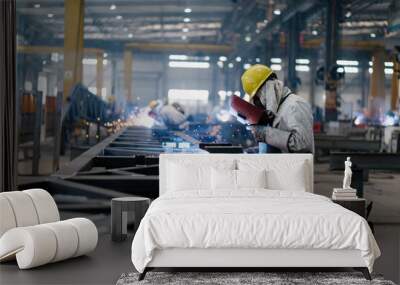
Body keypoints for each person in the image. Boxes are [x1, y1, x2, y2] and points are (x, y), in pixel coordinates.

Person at [241, 64, 314, 153]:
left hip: (294, 166)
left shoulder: (295, 105)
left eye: (257, 97)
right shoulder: (276, 111)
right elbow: (278, 147)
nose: (257, 102)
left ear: (268, 89)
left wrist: (266, 134)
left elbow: (301, 143)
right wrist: (255, 151)